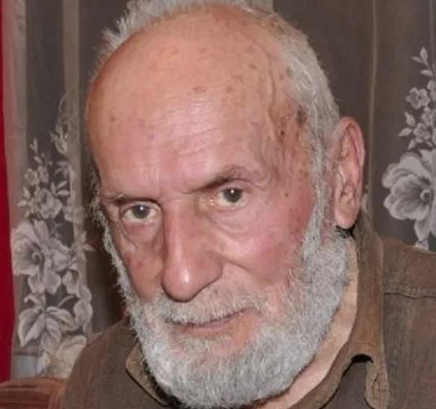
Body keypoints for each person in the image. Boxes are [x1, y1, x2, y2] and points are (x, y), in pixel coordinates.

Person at [64, 1, 436, 408]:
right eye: (139, 212)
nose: (181, 277)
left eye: (230, 195)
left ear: (339, 178)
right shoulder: (104, 384)